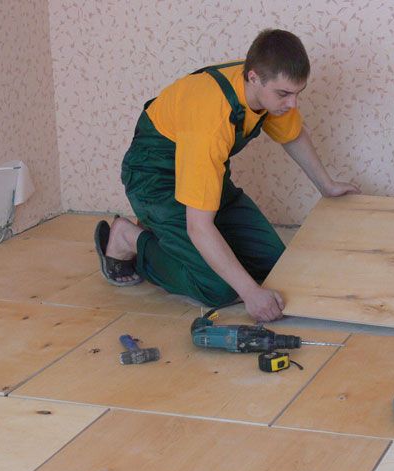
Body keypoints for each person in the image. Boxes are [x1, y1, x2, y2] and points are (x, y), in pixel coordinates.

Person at [94, 29, 359, 322]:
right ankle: (129, 238)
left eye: (298, 93)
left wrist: (327, 185)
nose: (292, 104)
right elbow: (199, 227)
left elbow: (292, 135)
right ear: (254, 77)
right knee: (218, 288)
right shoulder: (212, 120)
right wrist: (250, 293)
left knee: (276, 267)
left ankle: (170, 233)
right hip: (155, 180)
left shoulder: (264, 89)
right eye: (284, 94)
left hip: (204, 176)